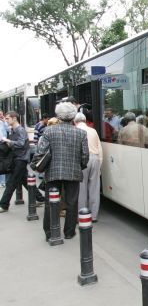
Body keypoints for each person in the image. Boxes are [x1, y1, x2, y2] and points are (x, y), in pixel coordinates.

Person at [38, 102, 89, 240]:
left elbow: (41, 152)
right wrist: (79, 166)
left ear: (58, 115)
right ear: (73, 116)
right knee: (72, 202)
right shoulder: (81, 133)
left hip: (53, 171)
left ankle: (49, 232)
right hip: (73, 172)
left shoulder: (48, 131)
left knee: (50, 202)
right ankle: (69, 232)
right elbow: (85, 156)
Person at [0, 111, 45, 212]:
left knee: (11, 182)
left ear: (14, 118)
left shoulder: (20, 130)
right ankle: (40, 198)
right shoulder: (12, 129)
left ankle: (4, 204)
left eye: (7, 118)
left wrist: (8, 141)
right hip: (17, 158)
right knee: (25, 180)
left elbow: (20, 143)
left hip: (21, 159)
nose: (6, 120)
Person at [74, 112, 102, 222]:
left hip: (82, 160)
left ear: (75, 122)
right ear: (85, 121)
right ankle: (94, 216)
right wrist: (100, 165)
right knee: (94, 188)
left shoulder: (75, 131)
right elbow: (99, 149)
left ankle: (82, 215)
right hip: (95, 159)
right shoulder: (93, 131)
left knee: (81, 188)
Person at [0, 110, 8, 187]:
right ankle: (2, 181)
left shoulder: (3, 122)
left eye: (2, 114)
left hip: (3, 143)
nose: (1, 115)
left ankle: (3, 181)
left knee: (3, 162)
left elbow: (8, 129)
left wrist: (4, 121)